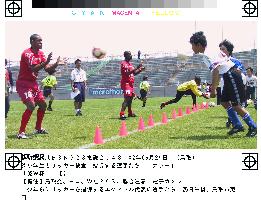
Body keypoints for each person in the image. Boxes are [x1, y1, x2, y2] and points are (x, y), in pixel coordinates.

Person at [16, 34, 60, 139]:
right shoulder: (27, 54)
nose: (41, 42)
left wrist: (56, 63)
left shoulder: (41, 53)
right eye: (39, 41)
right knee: (31, 106)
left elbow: (48, 69)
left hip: (33, 83)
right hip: (23, 83)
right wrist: (47, 62)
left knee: (43, 106)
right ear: (32, 41)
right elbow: (34, 69)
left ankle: (38, 128)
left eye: (41, 41)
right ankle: (21, 132)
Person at [210, 40, 256, 137]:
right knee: (224, 102)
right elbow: (216, 72)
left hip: (234, 82)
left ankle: (253, 127)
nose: (221, 51)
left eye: (223, 49)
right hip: (227, 82)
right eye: (220, 49)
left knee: (236, 106)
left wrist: (213, 88)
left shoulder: (233, 61)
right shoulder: (220, 59)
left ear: (229, 51)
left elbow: (240, 73)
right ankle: (237, 124)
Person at [119, 51, 145, 120]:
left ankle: (130, 112)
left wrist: (140, 70)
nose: (131, 56)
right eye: (129, 54)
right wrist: (137, 67)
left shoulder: (130, 64)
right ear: (125, 55)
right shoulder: (123, 63)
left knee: (130, 99)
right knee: (127, 99)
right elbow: (127, 73)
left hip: (130, 84)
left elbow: (134, 73)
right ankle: (122, 113)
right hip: (126, 83)